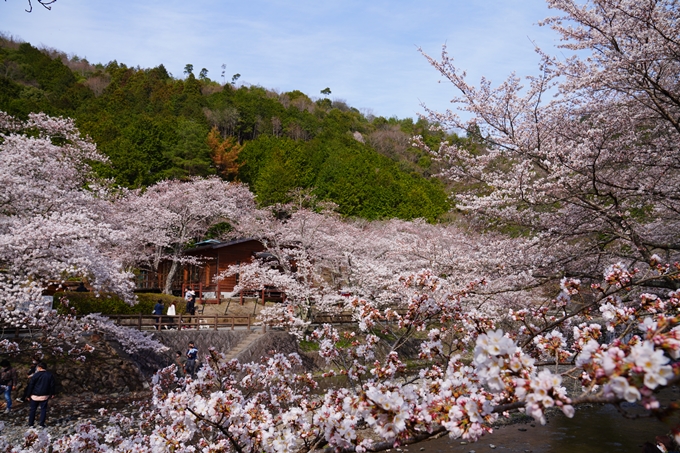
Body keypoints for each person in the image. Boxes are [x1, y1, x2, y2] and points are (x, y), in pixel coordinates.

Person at [26, 362, 56, 428]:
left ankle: (31, 424)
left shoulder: (35, 375)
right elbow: (52, 385)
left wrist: (28, 395)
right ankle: (41, 424)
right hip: (45, 395)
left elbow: (31, 385)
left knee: (33, 409)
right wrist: (52, 393)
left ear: (39, 367)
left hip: (35, 395)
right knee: (43, 409)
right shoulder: (49, 375)